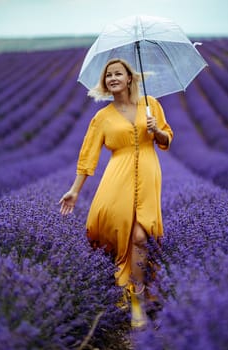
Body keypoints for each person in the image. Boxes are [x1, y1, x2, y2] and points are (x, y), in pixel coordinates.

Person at [59, 58, 173, 328]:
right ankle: (131, 297)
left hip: (148, 174)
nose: (112, 78)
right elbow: (88, 156)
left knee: (140, 236)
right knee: (120, 234)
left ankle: (137, 298)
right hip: (116, 178)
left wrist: (156, 130)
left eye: (117, 73)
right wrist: (74, 190)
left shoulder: (151, 104)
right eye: (108, 75)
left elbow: (167, 139)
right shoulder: (102, 117)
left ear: (129, 78)